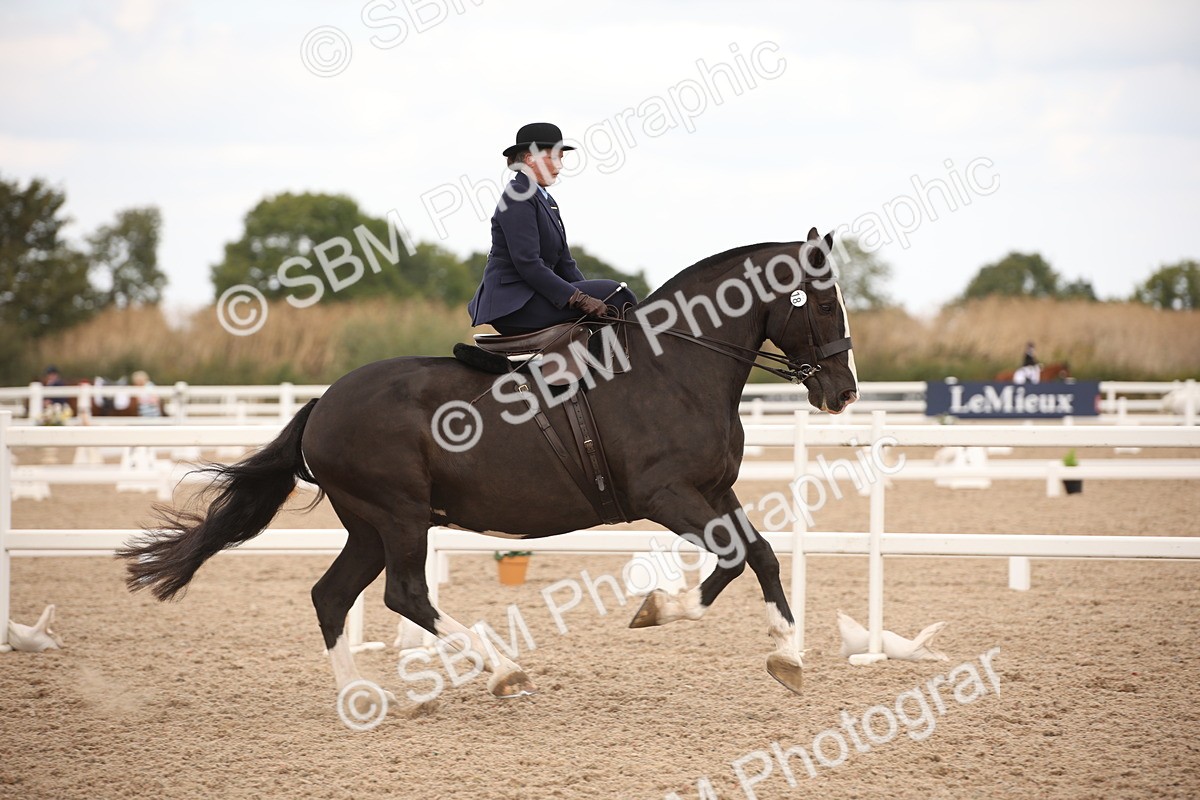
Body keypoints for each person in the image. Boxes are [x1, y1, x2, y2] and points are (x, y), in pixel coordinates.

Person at [467, 122, 637, 335]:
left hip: (535, 295)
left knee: (613, 296)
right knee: (618, 294)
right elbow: (528, 264)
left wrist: (590, 297)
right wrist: (578, 298)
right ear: (530, 158)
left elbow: (566, 265)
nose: (560, 166)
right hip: (515, 304)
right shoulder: (517, 196)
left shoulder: (545, 200)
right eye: (554, 158)